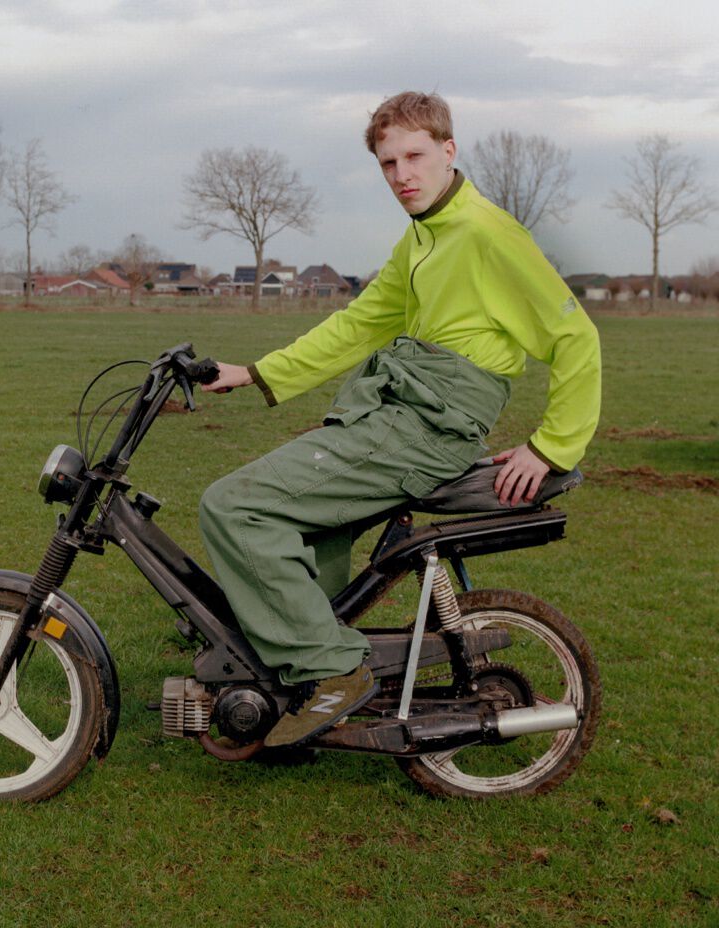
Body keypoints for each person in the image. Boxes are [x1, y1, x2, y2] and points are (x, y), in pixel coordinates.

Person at [198, 91, 601, 748]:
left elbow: (576, 337)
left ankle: (331, 668)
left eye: (414, 156)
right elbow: (360, 324)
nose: (401, 176)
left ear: (449, 150)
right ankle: (292, 678)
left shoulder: (485, 234)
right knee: (306, 526)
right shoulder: (424, 237)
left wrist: (552, 447)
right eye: (388, 163)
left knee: (233, 508)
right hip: (394, 413)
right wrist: (257, 373)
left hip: (419, 427)